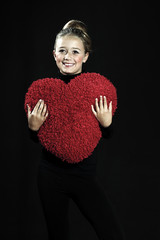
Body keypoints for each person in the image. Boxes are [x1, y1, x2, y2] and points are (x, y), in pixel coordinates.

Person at [25, 20, 125, 240]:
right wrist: (33, 128)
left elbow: (107, 134)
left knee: (112, 234)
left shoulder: (97, 89)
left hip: (84, 176)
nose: (68, 57)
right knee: (58, 235)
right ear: (54, 54)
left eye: (75, 51)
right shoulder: (43, 91)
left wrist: (107, 123)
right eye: (62, 51)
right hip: (49, 176)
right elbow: (38, 137)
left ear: (86, 56)